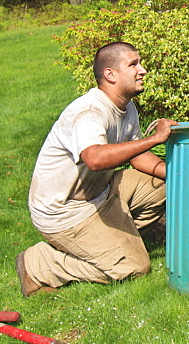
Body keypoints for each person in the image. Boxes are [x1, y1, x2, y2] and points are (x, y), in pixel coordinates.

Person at [16, 42, 178, 296]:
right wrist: (154, 139)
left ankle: (117, 243)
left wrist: (177, 175)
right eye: (133, 64)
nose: (142, 70)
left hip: (100, 193)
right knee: (135, 268)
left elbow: (136, 156)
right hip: (65, 212)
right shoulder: (90, 111)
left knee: (166, 187)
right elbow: (94, 158)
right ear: (110, 74)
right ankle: (40, 263)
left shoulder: (126, 106)